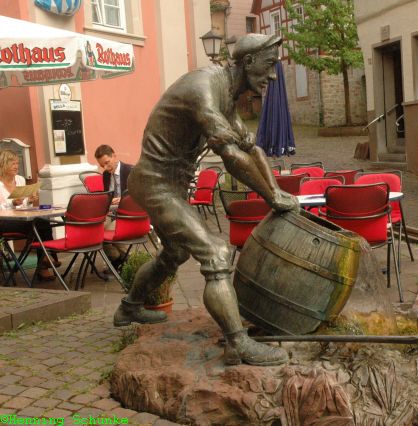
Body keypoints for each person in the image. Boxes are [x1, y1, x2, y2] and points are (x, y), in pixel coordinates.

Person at [113, 33, 298, 366]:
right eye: (270, 65)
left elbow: (250, 149)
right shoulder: (204, 90)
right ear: (248, 61)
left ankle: (129, 308)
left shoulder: (226, 95)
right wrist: (271, 197)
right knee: (216, 252)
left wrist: (276, 191)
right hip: (156, 184)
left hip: (167, 184)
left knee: (175, 253)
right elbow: (231, 158)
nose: (273, 76)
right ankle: (237, 343)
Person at [0, 150, 59, 280]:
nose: (16, 166)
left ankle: (45, 260)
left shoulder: (20, 179)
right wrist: (12, 203)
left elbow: (23, 205)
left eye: (17, 163)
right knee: (37, 224)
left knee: (43, 221)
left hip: (22, 219)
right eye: (13, 163)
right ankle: (46, 261)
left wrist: (29, 200)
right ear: (3, 164)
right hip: (4, 222)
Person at [95, 144, 133, 269]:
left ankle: (128, 262)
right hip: (112, 213)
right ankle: (117, 260)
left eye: (107, 162)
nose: (106, 167)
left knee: (109, 232)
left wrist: (123, 199)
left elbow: (140, 195)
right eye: (102, 165)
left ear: (114, 156)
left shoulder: (130, 171)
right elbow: (107, 196)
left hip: (128, 215)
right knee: (95, 230)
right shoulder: (106, 175)